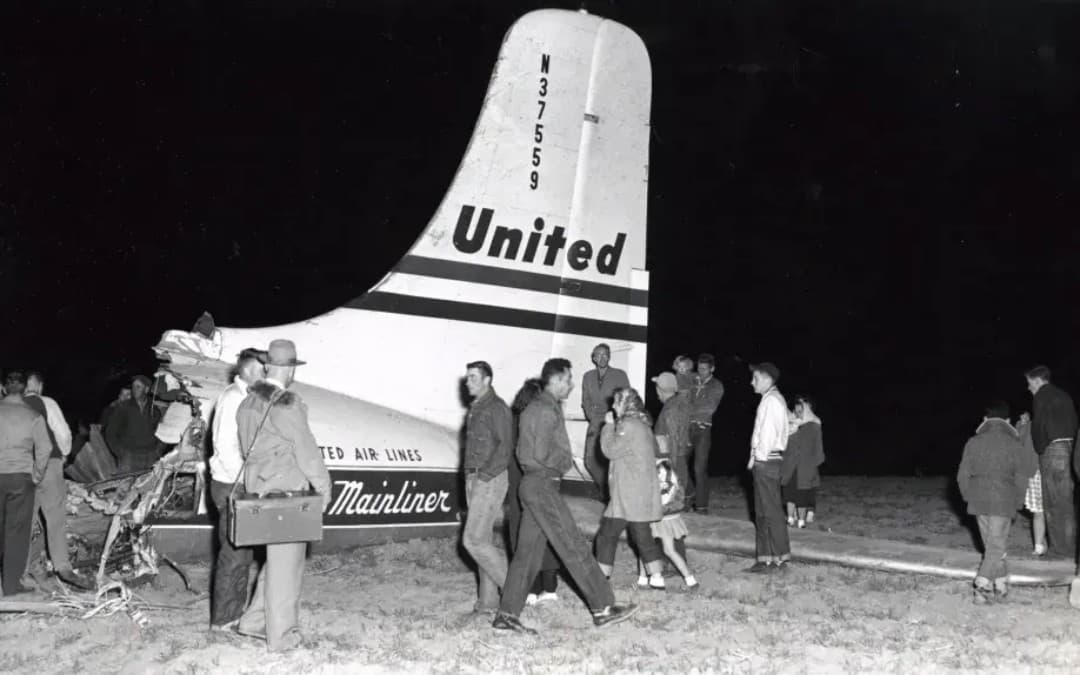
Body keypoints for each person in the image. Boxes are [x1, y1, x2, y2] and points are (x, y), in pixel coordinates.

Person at [493, 358, 637, 634]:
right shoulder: (546, 410)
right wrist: (564, 461)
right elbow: (539, 455)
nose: (571, 385)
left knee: (527, 555)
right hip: (543, 484)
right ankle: (603, 607)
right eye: (568, 379)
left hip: (531, 486)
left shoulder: (533, 408)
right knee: (573, 544)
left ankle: (507, 614)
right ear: (556, 379)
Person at [234, 340, 331, 652]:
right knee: (287, 568)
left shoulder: (247, 403)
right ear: (289, 368)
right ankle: (283, 638)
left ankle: (253, 621)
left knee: (276, 562)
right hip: (285, 494)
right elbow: (306, 450)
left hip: (259, 490)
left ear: (267, 365)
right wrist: (324, 488)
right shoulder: (285, 404)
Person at [208, 348, 266, 631]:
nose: (266, 374)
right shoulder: (233, 398)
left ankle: (231, 614)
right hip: (231, 484)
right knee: (234, 554)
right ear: (249, 371)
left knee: (241, 553)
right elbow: (224, 447)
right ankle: (224, 619)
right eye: (262, 369)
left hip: (233, 483)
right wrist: (243, 482)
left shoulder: (242, 397)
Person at [957, 401, 1029, 603]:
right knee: (996, 546)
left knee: (992, 545)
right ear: (1007, 421)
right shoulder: (1014, 445)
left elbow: (962, 475)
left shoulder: (973, 442)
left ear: (985, 420)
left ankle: (1001, 585)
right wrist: (1018, 501)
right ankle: (982, 586)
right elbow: (1021, 477)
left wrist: (967, 496)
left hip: (979, 499)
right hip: (1003, 499)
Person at [23, 371, 89, 589]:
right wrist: (63, 456)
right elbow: (64, 434)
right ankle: (62, 566)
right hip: (49, 466)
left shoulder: (9, 407)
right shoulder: (48, 403)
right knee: (55, 519)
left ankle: (20, 571)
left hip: (23, 468)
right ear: (40, 386)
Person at [595, 388, 665, 588]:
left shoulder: (628, 424)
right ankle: (657, 577)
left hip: (627, 492)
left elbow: (610, 450)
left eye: (616, 403)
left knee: (607, 535)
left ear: (625, 404)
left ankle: (602, 575)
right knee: (642, 535)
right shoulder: (643, 424)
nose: (613, 407)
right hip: (638, 491)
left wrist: (608, 427)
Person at [461, 360, 513, 615]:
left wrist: (485, 477)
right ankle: (488, 602)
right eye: (467, 377)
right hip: (475, 479)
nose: (467, 381)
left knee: (472, 540)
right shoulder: (478, 407)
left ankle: (516, 593)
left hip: (488, 480)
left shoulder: (496, 407)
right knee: (482, 540)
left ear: (487, 380)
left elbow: (506, 447)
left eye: (472, 377)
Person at [505, 378, 561, 606]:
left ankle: (530, 589)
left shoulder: (514, 421)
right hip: (543, 482)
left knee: (521, 534)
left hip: (519, 485)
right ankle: (549, 587)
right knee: (546, 532)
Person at [0, 371, 52, 595]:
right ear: (23, 390)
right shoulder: (33, 415)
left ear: (3, 388)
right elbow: (46, 448)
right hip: (21, 477)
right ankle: (11, 585)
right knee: (16, 531)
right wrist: (37, 475)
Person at [1024, 365, 1078, 559]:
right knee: (1066, 503)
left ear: (1038, 381)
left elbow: (1039, 427)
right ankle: (1070, 548)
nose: (1029, 388)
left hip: (1052, 451)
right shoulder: (1064, 395)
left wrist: (1039, 449)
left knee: (1052, 504)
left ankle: (1058, 550)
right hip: (1069, 449)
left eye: (1030, 384)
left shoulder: (1041, 396)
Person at [746, 362, 790, 573]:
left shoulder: (771, 401)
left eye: (755, 378)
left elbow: (768, 435)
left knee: (770, 511)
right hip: (766, 461)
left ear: (765, 379)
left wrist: (759, 459)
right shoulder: (771, 399)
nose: (751, 382)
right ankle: (766, 559)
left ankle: (779, 558)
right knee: (763, 512)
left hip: (767, 462)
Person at [581, 343, 630, 500]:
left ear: (609, 356)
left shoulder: (619, 374)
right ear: (593, 358)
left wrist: (616, 419)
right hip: (595, 421)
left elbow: (626, 398)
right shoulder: (587, 376)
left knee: (613, 458)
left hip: (614, 420)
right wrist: (592, 416)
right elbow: (585, 400)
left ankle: (613, 495)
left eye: (605, 355)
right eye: (599, 355)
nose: (602, 358)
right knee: (589, 460)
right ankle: (606, 490)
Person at [642, 458, 698, 590]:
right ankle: (690, 580)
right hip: (670, 516)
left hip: (659, 517)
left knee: (644, 547)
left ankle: (642, 580)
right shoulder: (667, 467)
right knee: (670, 550)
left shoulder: (652, 468)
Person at [782, 395, 825, 529]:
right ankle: (789, 518)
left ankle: (801, 521)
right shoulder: (790, 426)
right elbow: (784, 447)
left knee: (802, 496)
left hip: (806, 468)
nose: (798, 414)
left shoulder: (814, 426)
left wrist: (813, 465)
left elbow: (819, 450)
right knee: (789, 495)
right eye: (796, 411)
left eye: (801, 411)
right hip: (789, 467)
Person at [688, 353, 724, 512]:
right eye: (699, 368)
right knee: (678, 462)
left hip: (703, 430)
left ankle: (701, 505)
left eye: (704, 369)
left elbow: (708, 408)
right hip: (686, 428)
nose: (701, 372)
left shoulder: (717, 385)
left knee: (699, 468)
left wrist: (689, 410)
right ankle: (688, 495)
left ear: (712, 369)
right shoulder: (692, 379)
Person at [105, 375, 162, 473]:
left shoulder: (154, 410)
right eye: (133, 386)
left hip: (150, 456)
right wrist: (120, 452)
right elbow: (110, 433)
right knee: (126, 485)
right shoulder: (123, 407)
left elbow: (161, 432)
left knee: (148, 485)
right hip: (129, 456)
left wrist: (158, 451)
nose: (134, 390)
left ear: (147, 389)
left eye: (138, 387)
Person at [1015, 412, 1046, 555]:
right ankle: (1039, 546)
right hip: (1035, 471)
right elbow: (1017, 440)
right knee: (1039, 511)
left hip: (1042, 471)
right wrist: (1022, 424)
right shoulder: (1028, 426)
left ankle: (1041, 545)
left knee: (1041, 512)